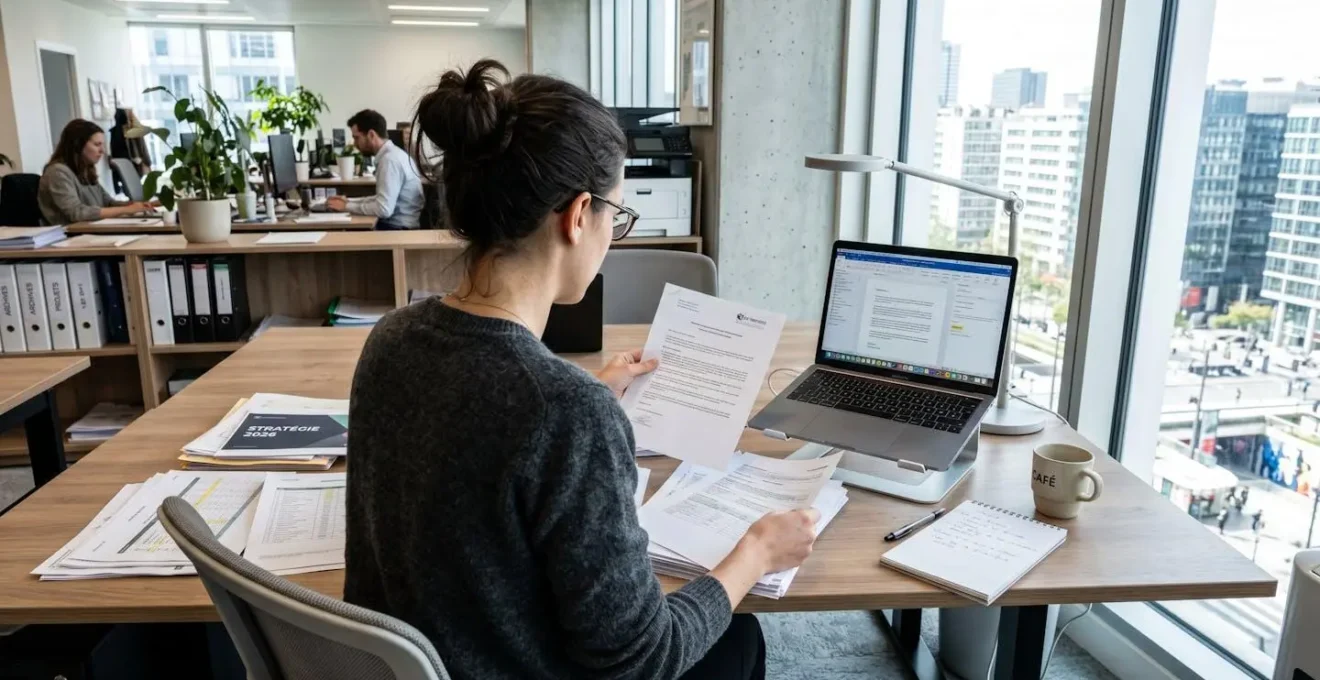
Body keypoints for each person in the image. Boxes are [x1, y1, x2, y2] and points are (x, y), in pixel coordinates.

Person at [345, 60, 815, 680]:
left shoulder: (391, 339)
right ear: (577, 214)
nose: (611, 236)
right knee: (740, 638)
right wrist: (755, 553)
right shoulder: (563, 412)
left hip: (432, 655)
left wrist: (582, 400)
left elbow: (480, 430)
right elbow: (642, 658)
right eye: (616, 217)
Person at [38, 119, 151, 224]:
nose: (102, 151)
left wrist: (137, 206)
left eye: (102, 145)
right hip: (70, 236)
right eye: (97, 145)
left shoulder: (86, 170)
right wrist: (127, 209)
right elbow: (77, 213)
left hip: (91, 229)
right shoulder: (57, 172)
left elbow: (108, 203)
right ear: (78, 146)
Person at [326, 109, 423, 230]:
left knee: (340, 236)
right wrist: (348, 201)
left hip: (398, 229)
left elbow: (384, 209)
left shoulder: (389, 160)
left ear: (371, 135)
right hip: (397, 226)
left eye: (357, 138)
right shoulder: (393, 155)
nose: (355, 144)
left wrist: (346, 206)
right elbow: (381, 200)